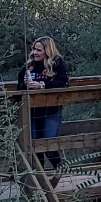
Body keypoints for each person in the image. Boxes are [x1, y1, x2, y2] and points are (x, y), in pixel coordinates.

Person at [17, 36, 69, 170]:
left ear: (47, 50)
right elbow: (19, 87)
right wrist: (27, 85)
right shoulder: (28, 66)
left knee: (49, 145)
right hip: (32, 112)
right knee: (34, 146)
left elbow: (63, 83)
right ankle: (39, 175)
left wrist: (41, 85)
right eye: (34, 49)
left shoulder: (57, 63)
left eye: (38, 50)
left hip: (51, 110)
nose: (35, 52)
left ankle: (60, 171)